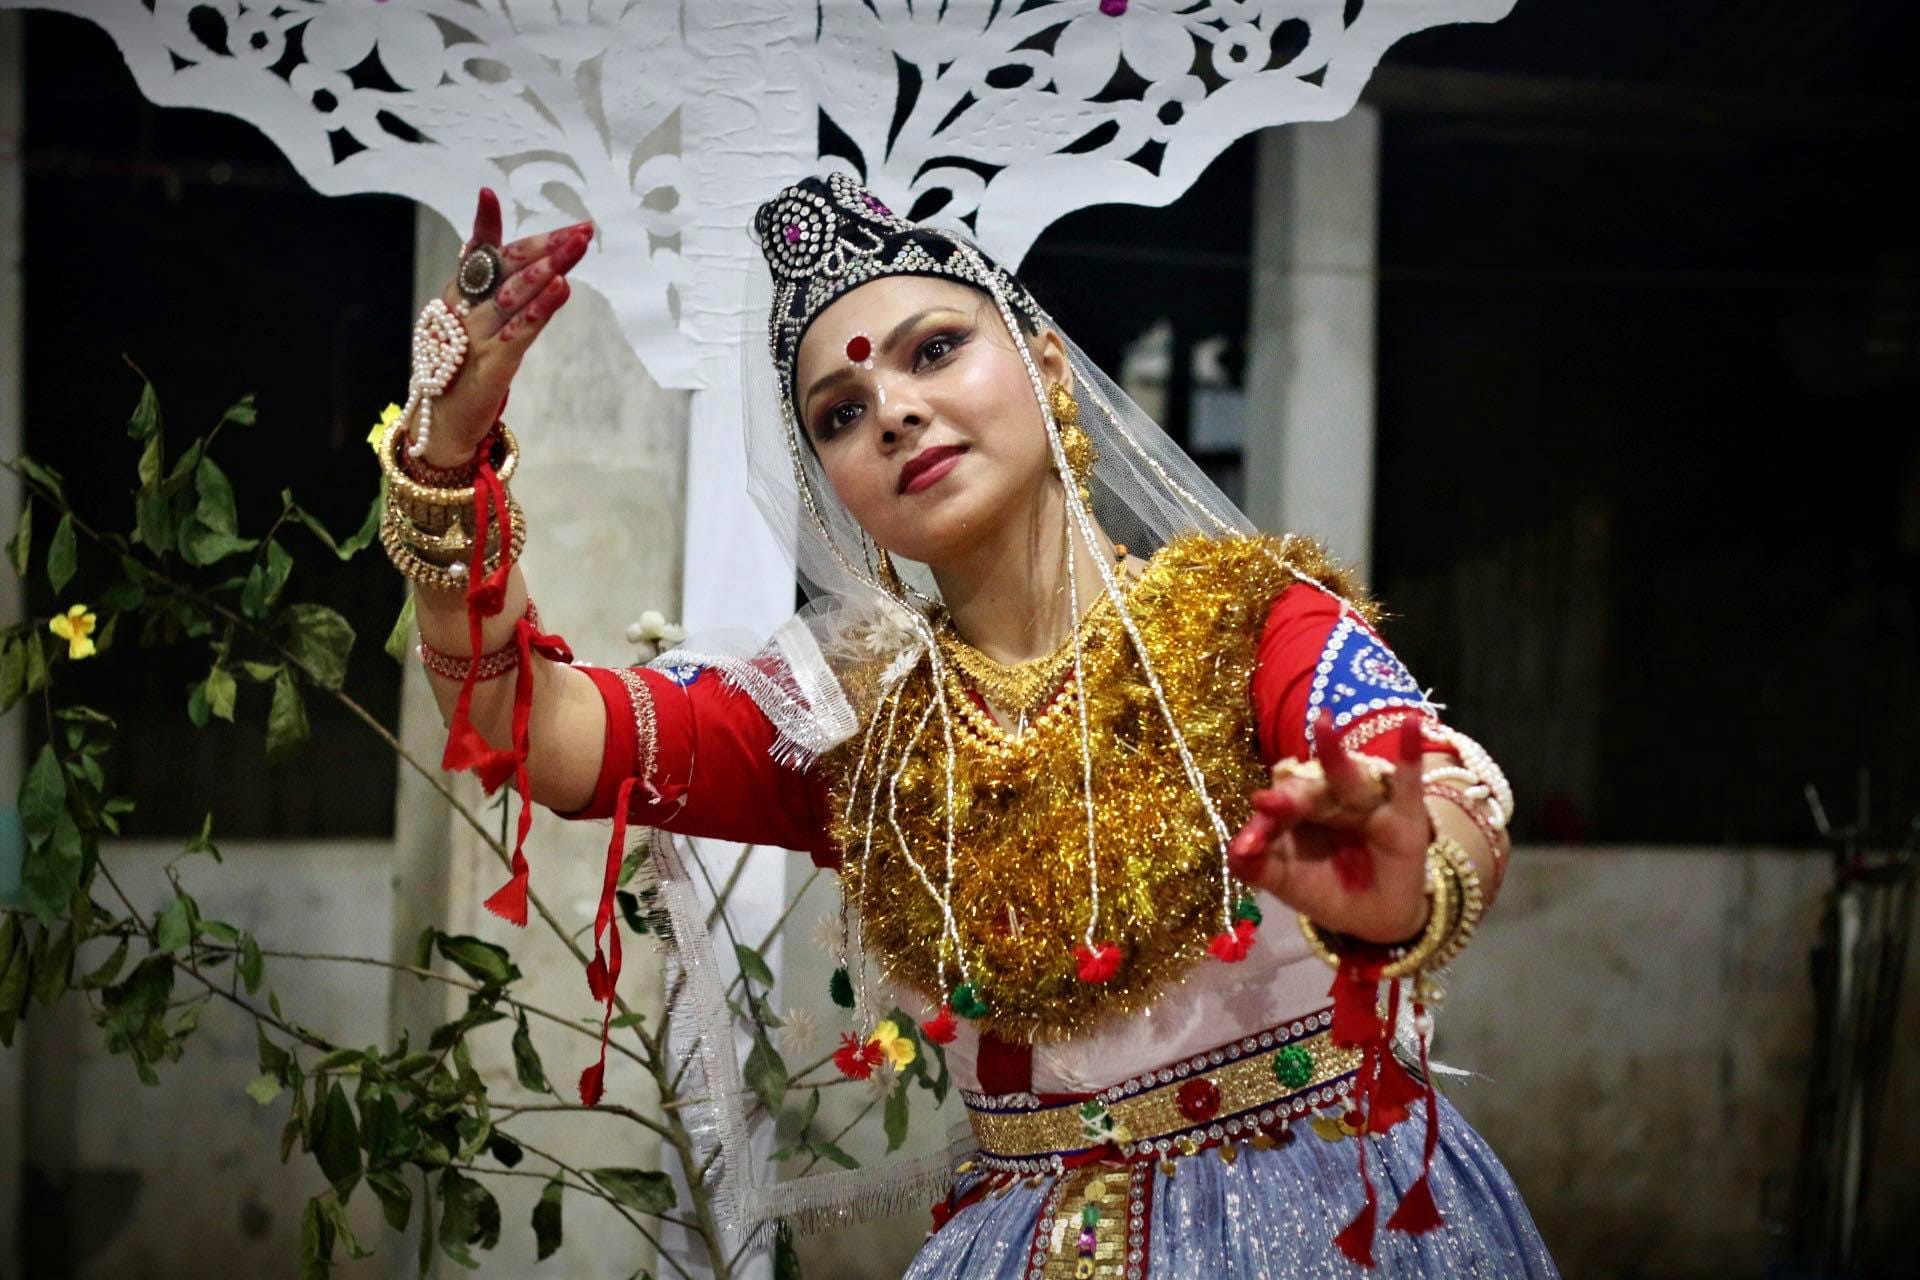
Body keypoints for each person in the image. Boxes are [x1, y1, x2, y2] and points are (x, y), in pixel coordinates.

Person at [379, 174, 1559, 1277]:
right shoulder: (856, 734)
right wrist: (442, 458)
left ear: (1046, 366)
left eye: (935, 349)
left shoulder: (1248, 623)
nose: (894, 410)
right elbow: (524, 725)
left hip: (1332, 1222)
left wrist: (1415, 877)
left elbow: (1433, 786)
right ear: (834, 483)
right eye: (841, 412)